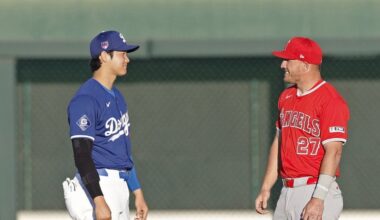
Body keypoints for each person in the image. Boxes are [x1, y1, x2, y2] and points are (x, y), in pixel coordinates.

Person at [255, 36, 350, 220]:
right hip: (286, 192)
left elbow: (335, 151)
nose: (283, 65)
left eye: (288, 60)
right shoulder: (286, 97)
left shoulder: (330, 100)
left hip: (315, 190)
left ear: (306, 66)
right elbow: (279, 143)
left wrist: (318, 199)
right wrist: (266, 187)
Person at [62, 30, 148, 220]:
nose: (127, 59)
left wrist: (137, 191)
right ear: (103, 56)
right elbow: (81, 154)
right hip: (99, 187)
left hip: (119, 186)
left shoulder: (117, 96)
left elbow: (121, 150)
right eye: (122, 54)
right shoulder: (85, 99)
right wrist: (99, 201)